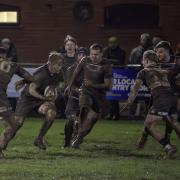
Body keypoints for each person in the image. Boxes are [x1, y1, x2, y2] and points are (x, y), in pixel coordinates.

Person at [0, 52, 65, 152]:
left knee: (51, 112)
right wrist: (44, 98)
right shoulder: (41, 74)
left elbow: (61, 83)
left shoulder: (59, 73)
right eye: (58, 64)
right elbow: (31, 90)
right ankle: (2, 145)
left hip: (41, 99)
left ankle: (39, 138)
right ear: (51, 63)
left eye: (61, 64)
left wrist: (56, 89)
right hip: (27, 99)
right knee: (17, 123)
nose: (60, 67)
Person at [124, 50, 180, 158]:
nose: (142, 62)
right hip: (172, 97)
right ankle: (141, 144)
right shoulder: (165, 70)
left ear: (146, 60)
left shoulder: (144, 71)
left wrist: (130, 101)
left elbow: (135, 89)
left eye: (143, 60)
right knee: (174, 123)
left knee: (149, 125)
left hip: (161, 98)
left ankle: (168, 147)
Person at [66, 43, 112, 148]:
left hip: (99, 96)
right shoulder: (85, 60)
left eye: (96, 55)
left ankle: (79, 135)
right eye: (92, 54)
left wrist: (93, 84)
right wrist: (70, 85)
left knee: (91, 120)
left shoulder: (106, 65)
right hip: (86, 91)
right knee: (85, 106)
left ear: (101, 55)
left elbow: (108, 86)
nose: (93, 57)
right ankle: (77, 133)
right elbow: (76, 72)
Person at [0, 47, 34, 155]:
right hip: (1, 97)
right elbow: (31, 78)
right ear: (7, 56)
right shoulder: (13, 65)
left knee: (10, 125)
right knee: (12, 125)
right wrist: (23, 81)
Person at [64, 47, 88, 147]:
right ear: (76, 56)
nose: (82, 57)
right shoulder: (71, 69)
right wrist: (79, 90)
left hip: (86, 99)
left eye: (84, 55)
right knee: (70, 120)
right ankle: (66, 142)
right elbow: (70, 86)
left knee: (81, 122)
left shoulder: (91, 69)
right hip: (73, 98)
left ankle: (76, 140)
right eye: (79, 54)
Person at [103, 36, 126, 120]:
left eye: (114, 42)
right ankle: (110, 113)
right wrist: (112, 62)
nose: (112, 44)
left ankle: (116, 114)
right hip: (107, 75)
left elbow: (120, 62)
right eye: (110, 42)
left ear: (117, 43)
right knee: (108, 96)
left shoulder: (121, 51)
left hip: (118, 75)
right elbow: (103, 60)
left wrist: (110, 62)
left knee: (115, 96)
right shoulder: (105, 50)